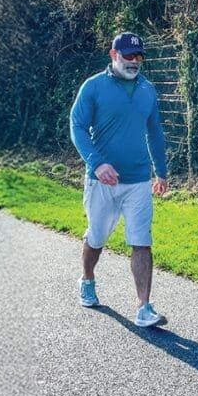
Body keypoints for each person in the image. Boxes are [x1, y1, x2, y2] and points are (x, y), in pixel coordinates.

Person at [69, 32, 169, 327]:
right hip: (102, 181)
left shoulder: (147, 90)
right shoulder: (94, 87)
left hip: (138, 179)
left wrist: (160, 171)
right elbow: (77, 126)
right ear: (113, 55)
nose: (135, 62)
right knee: (97, 237)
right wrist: (97, 163)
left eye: (139, 57)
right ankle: (87, 279)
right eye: (129, 56)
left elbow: (155, 133)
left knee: (142, 241)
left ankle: (144, 307)